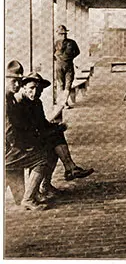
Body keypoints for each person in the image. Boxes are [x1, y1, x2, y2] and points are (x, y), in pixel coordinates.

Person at [25, 72, 94, 200]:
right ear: (24, 88)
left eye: (38, 89)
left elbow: (43, 124)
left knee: (55, 138)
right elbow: (29, 130)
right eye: (31, 88)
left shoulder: (37, 103)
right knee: (53, 140)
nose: (35, 92)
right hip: (24, 142)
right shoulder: (23, 104)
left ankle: (53, 180)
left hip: (34, 137)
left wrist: (56, 127)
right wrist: (53, 130)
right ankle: (70, 168)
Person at [6, 69, 51, 210]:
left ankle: (31, 195)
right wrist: (22, 146)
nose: (17, 85)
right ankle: (29, 198)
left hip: (10, 147)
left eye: (19, 81)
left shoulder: (10, 98)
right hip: (8, 150)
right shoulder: (6, 101)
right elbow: (7, 130)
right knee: (42, 159)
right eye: (13, 81)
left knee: (41, 150)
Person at [52, 24, 80, 118]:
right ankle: (64, 103)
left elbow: (77, 52)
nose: (63, 36)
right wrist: (65, 59)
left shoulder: (69, 42)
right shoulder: (58, 43)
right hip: (62, 65)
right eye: (61, 34)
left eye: (64, 34)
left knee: (66, 85)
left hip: (65, 65)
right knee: (62, 84)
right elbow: (51, 54)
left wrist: (67, 58)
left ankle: (64, 102)